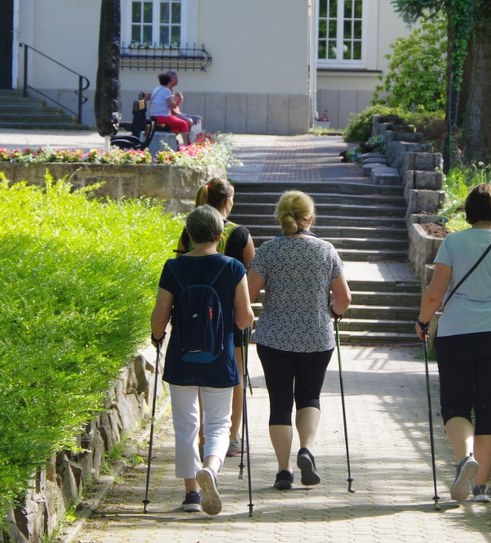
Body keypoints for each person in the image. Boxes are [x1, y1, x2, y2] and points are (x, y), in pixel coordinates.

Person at [415, 183, 491, 504]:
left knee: (455, 405)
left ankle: (465, 457)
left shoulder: (453, 242)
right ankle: (481, 487)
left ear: (468, 210)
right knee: (490, 408)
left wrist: (424, 322)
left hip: (457, 333)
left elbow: (434, 293)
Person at [150, 205, 254, 515]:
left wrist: (157, 337)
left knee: (186, 425)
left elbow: (159, 318)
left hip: (181, 358)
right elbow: (244, 317)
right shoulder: (233, 267)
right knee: (219, 424)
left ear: (189, 235)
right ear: (220, 235)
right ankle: (210, 467)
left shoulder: (173, 267)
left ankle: (192, 495)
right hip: (219, 358)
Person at [246, 190, 352, 490]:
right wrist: (330, 311)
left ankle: (283, 471)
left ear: (280, 215)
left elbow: (248, 295)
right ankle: (306, 449)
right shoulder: (326, 250)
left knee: (279, 402)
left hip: (274, 337)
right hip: (316, 337)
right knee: (309, 397)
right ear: (310, 217)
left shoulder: (268, 251)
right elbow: (344, 298)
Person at [176, 178, 255, 458]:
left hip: (194, 319)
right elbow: (252, 277)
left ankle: (201, 437)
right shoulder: (240, 234)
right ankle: (231, 438)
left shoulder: (188, 233)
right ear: (228, 202)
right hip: (232, 319)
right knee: (234, 377)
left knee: (197, 376)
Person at [148, 72, 191, 143]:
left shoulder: (157, 88)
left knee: (177, 123)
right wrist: (177, 98)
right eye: (175, 78)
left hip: (153, 116)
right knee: (184, 124)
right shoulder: (166, 91)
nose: (177, 80)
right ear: (169, 80)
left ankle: (172, 141)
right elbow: (172, 106)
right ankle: (186, 145)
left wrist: (175, 99)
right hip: (162, 116)